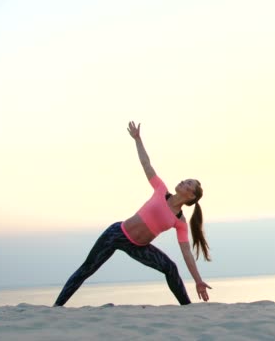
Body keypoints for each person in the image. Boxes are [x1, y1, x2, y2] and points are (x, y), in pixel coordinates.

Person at [54, 121, 212, 306]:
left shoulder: (180, 222)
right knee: (87, 268)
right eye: (185, 180)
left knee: (170, 268)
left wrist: (198, 281)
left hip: (138, 247)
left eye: (188, 184)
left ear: (191, 196)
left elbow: (186, 253)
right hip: (117, 233)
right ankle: (57, 306)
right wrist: (138, 139)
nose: (183, 182)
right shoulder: (161, 190)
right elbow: (146, 164)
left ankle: (187, 308)